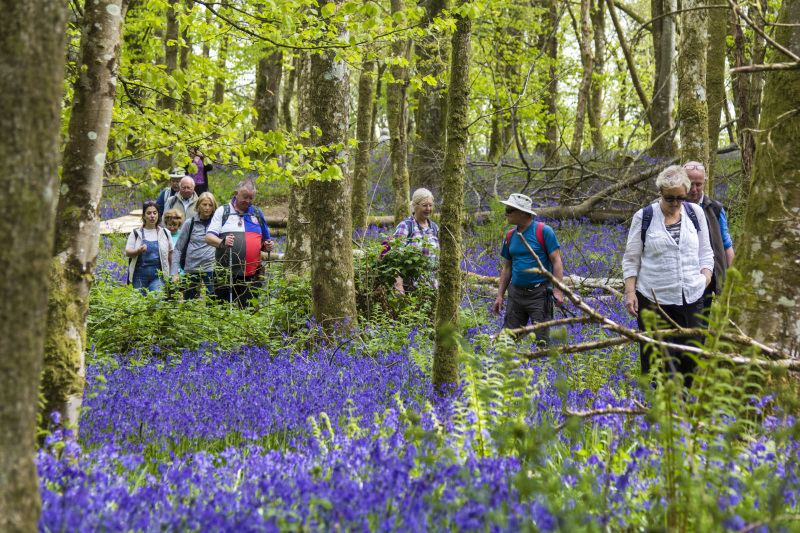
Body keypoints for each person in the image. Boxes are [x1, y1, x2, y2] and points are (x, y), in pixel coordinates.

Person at [622, 165, 714, 386]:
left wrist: (705, 278)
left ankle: (686, 412)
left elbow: (706, 252)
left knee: (691, 360)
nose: (675, 203)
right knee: (659, 363)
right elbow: (631, 258)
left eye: (680, 198)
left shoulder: (695, 213)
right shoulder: (644, 217)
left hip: (691, 299)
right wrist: (630, 293)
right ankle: (658, 412)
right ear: (660, 193)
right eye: (670, 198)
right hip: (654, 301)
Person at [492, 193, 564, 345]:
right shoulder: (511, 235)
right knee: (507, 339)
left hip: (540, 294)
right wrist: (500, 295)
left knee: (542, 340)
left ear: (522, 212)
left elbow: (557, 261)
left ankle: (544, 367)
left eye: (509, 210)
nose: (506, 213)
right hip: (516, 294)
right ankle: (505, 367)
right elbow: (507, 267)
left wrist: (558, 291)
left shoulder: (544, 231)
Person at [205, 179, 275, 308]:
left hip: (252, 275)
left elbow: (265, 240)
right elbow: (209, 237)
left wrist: (268, 246)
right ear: (236, 193)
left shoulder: (257, 213)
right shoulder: (223, 211)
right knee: (218, 310)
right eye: (245, 197)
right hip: (225, 274)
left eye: (251, 198)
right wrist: (222, 242)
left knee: (248, 312)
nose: (248, 201)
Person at [684, 161, 735, 310]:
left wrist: (729, 282)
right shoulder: (671, 205)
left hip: (706, 278)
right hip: (678, 279)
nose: (694, 189)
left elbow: (726, 245)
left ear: (705, 182)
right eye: (690, 184)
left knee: (701, 323)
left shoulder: (715, 209)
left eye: (698, 184)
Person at [392, 188, 439, 294]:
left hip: (433, 287)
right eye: (424, 205)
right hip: (411, 287)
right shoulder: (405, 226)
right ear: (414, 205)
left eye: (431, 205)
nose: (428, 209)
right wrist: (398, 286)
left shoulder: (435, 228)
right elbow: (395, 258)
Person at [171, 192, 218, 299]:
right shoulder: (190, 223)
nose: (207, 208)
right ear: (198, 205)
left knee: (213, 300)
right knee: (189, 302)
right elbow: (178, 248)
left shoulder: (217, 224)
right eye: (204, 204)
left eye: (210, 205)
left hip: (210, 268)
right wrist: (174, 272)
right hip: (191, 268)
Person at [125, 200, 174, 294]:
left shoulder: (165, 233)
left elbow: (171, 254)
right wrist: (138, 251)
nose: (152, 216)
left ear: (158, 215)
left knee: (157, 299)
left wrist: (174, 273)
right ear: (143, 216)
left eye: (154, 213)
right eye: (149, 213)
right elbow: (128, 252)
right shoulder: (136, 233)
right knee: (138, 303)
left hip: (158, 274)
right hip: (139, 274)